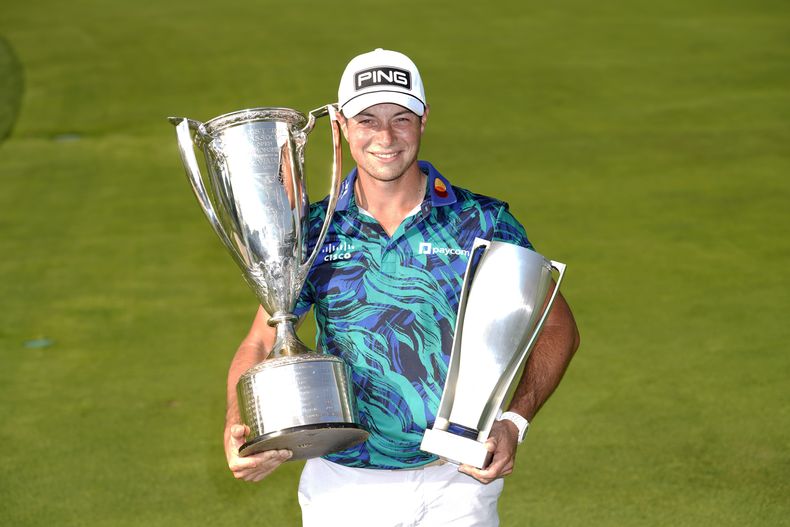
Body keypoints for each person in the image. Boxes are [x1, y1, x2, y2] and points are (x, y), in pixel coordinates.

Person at [223, 48, 580, 526]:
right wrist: (238, 423)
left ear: (424, 120)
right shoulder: (312, 229)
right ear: (342, 127)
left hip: (460, 480)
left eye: (401, 118)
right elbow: (263, 339)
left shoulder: (481, 220)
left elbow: (558, 327)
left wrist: (514, 420)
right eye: (367, 120)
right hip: (342, 485)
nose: (386, 137)